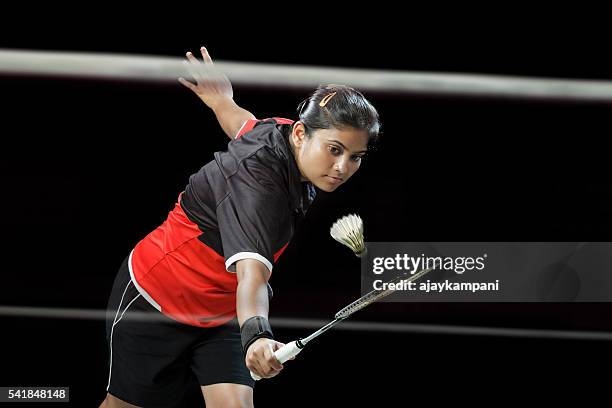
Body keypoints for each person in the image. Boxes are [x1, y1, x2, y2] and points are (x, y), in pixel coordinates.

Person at [100, 46, 381, 408]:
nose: (343, 167)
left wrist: (221, 101)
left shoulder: (279, 135)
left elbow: (244, 125)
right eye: (334, 150)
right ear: (300, 135)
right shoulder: (259, 188)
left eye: (355, 157)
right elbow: (252, 276)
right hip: (159, 300)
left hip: (223, 312)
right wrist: (257, 337)